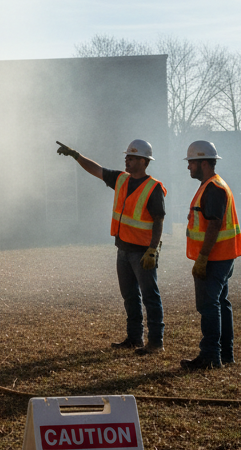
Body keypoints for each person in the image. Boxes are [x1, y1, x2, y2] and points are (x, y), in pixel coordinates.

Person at [55, 139, 166, 354]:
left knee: (150, 297)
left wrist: (153, 250)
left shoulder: (154, 188)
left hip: (143, 252)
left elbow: (159, 220)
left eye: (131, 157)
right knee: (130, 297)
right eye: (127, 156)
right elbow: (96, 169)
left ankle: (156, 342)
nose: (126, 159)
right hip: (123, 250)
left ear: (143, 161)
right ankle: (135, 338)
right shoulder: (121, 179)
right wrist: (75, 155)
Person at [181, 140, 241, 370]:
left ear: (204, 163)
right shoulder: (214, 185)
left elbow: (214, 224)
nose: (188, 167)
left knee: (209, 306)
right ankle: (225, 354)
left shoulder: (213, 188)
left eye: (191, 163)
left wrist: (203, 257)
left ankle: (210, 356)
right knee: (220, 304)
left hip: (214, 258)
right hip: (223, 256)